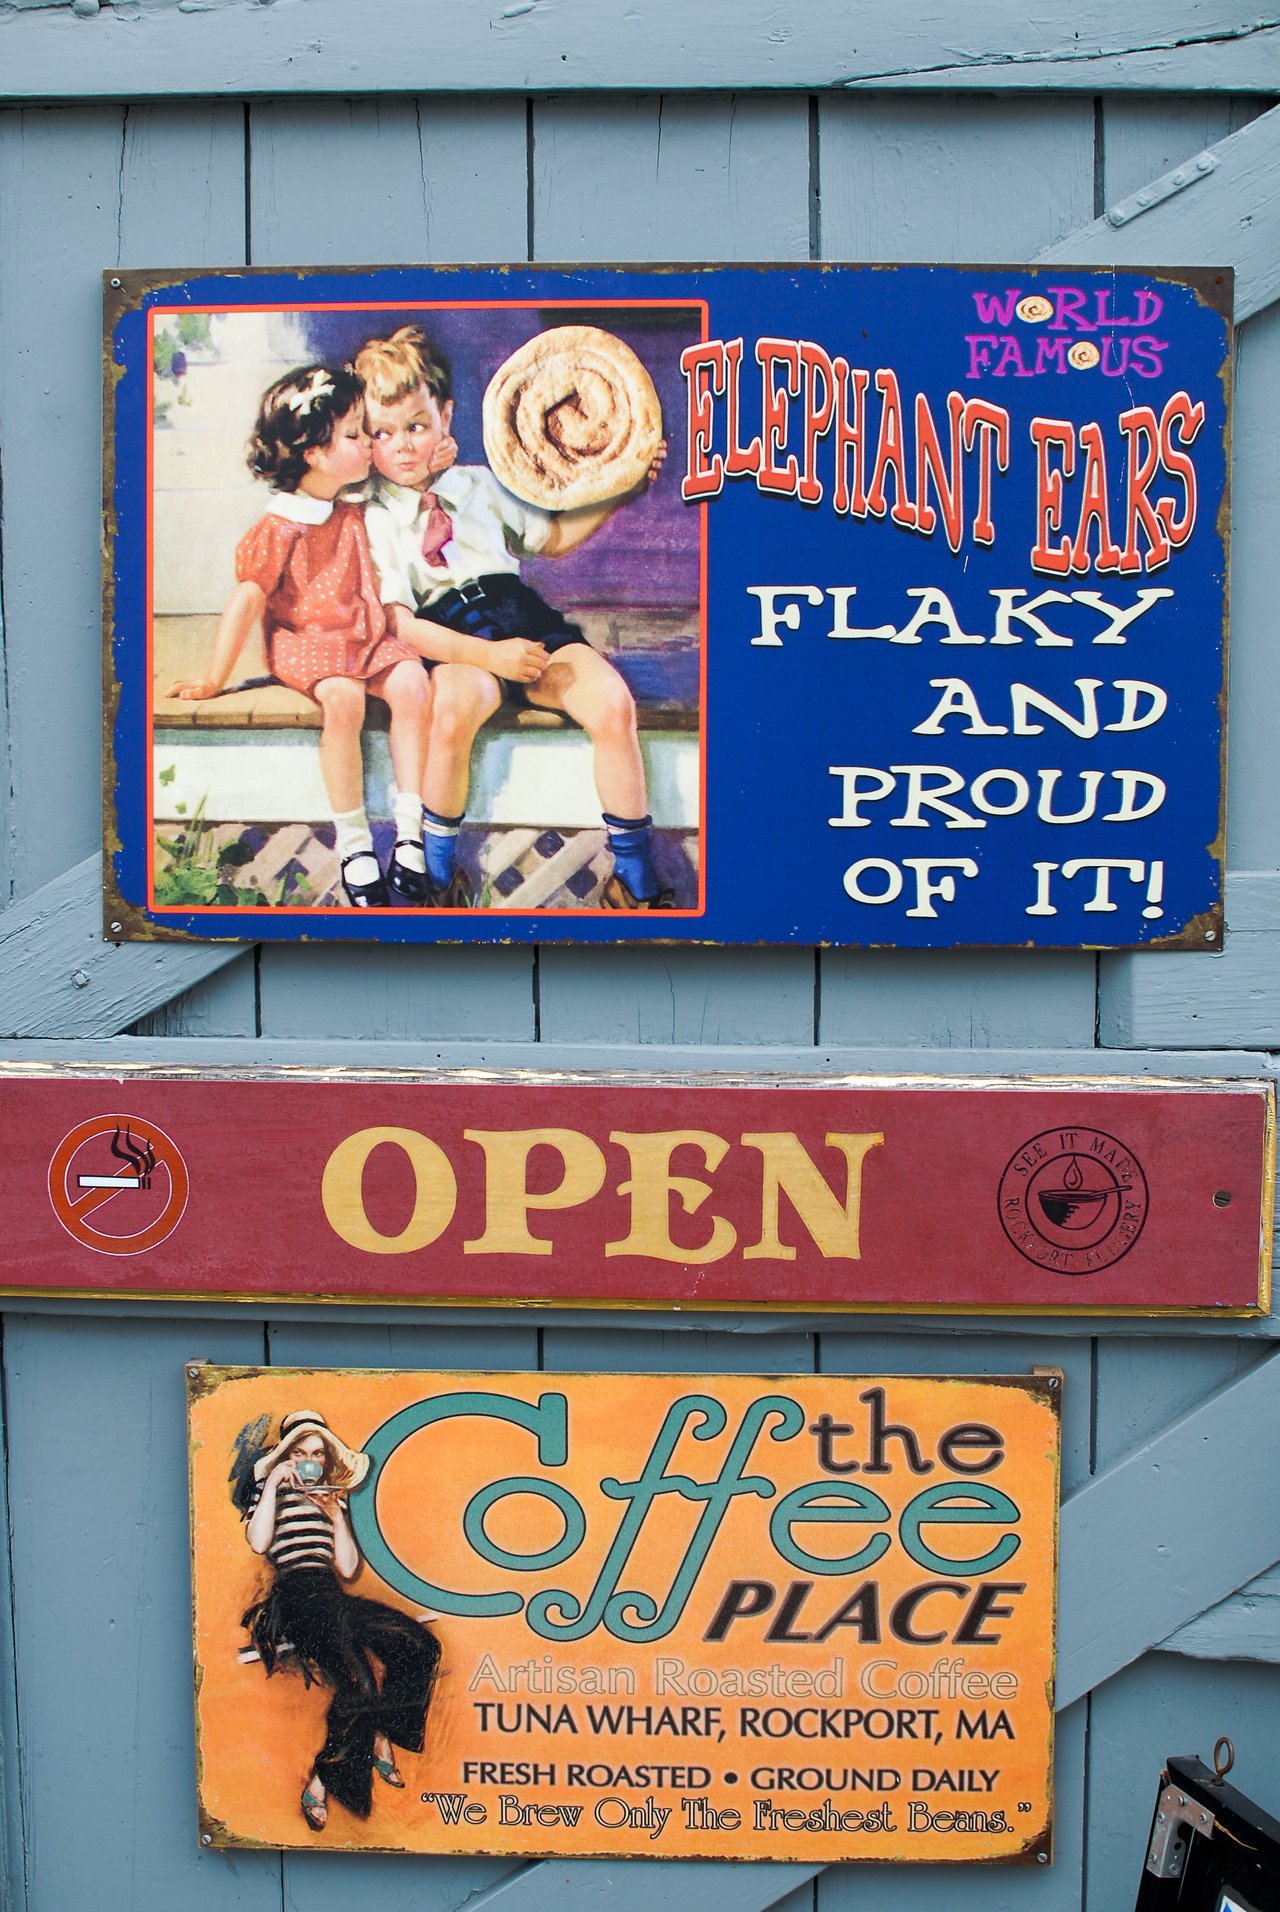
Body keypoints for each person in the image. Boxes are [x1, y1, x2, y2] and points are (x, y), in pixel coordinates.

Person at [354, 325, 672, 909]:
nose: (403, 445)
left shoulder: (477, 484)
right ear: (364, 438)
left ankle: (635, 880)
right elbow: (399, 623)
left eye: (418, 426)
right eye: (384, 432)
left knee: (612, 703)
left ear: (446, 417)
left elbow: (549, 541)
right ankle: (439, 877)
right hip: (450, 637)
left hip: (520, 616)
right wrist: (488, 656)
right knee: (450, 711)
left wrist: (618, 493)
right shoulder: (372, 520)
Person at [168, 363, 433, 910]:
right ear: (314, 452)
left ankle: (410, 832)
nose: (369, 444)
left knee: (411, 683)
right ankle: (355, 842)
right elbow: (248, 597)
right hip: (307, 639)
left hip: (362, 631)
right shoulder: (283, 523)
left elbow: (412, 478)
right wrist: (215, 678)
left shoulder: (355, 501)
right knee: (343, 698)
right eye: (356, 435)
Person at [238, 1409, 439, 1832]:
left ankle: (386, 1727)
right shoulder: (270, 1493)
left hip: (331, 1595)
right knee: (360, 1683)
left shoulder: (331, 1500)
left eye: (316, 1453)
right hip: (296, 1598)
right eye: (300, 1453)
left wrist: (335, 1515)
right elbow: (258, 1543)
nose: (309, 1460)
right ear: (286, 1457)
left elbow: (348, 1570)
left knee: (418, 1644)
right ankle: (323, 1778)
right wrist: (273, 1483)